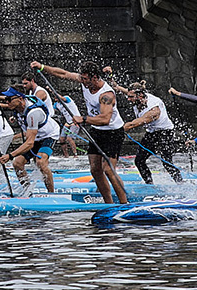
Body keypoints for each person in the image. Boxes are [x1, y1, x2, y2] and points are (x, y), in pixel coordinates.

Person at [28, 60, 128, 204]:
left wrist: (84, 119)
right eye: (82, 78)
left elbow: (105, 119)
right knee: (95, 170)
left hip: (113, 132)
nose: (83, 81)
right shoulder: (84, 80)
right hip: (97, 131)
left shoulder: (106, 94)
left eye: (86, 79)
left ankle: (124, 204)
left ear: (95, 77)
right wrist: (42, 67)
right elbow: (63, 73)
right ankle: (109, 204)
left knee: (109, 170)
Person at [118, 81, 182, 183]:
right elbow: (127, 91)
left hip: (165, 132)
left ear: (140, 95)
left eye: (131, 97)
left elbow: (134, 124)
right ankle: (149, 183)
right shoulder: (138, 97)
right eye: (128, 96)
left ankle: (180, 183)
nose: (128, 99)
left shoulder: (154, 109)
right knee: (139, 161)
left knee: (166, 162)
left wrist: (116, 130)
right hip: (151, 133)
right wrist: (116, 85)